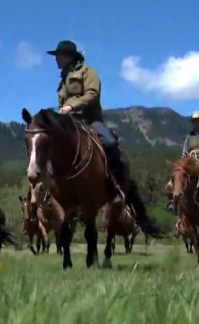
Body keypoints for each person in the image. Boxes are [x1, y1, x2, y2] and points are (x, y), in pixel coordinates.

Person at [47, 40, 126, 202]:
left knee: (110, 143)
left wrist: (71, 107)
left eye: (58, 56)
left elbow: (92, 94)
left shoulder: (88, 72)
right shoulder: (63, 80)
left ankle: (116, 186)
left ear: (68, 57)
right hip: (69, 124)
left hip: (89, 120)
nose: (56, 59)